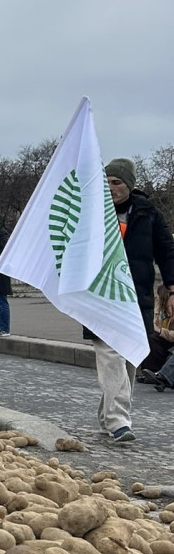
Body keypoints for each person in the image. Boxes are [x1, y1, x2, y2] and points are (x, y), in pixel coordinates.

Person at [88, 159, 174, 442]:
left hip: (136, 296)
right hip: (101, 295)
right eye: (107, 182)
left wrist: (172, 288)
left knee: (128, 357)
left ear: (130, 186)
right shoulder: (92, 213)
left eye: (117, 182)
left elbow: (166, 250)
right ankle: (118, 421)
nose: (111, 188)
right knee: (111, 353)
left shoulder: (149, 214)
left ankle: (106, 417)